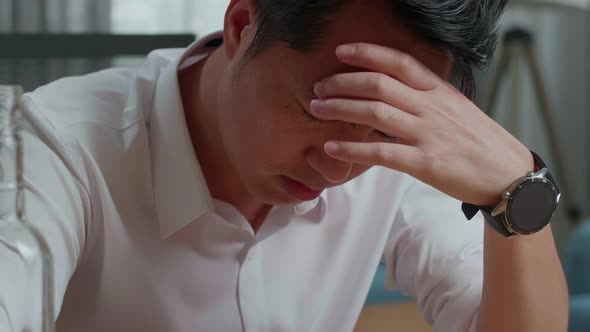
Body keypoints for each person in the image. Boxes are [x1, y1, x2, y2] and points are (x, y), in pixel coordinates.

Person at [0, 0, 569, 331]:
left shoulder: (397, 148)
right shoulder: (54, 148)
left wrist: (518, 186)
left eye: (380, 126)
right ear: (242, 23)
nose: (337, 168)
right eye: (320, 111)